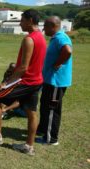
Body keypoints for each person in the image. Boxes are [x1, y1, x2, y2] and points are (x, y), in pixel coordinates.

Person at [0, 9, 46, 156]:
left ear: (30, 20)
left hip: (26, 81)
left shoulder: (29, 39)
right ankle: (29, 146)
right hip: (37, 82)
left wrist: (6, 83)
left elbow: (23, 67)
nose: (20, 23)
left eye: (22, 20)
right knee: (32, 113)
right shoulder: (41, 37)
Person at [36, 16, 73, 145]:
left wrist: (58, 63)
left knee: (52, 109)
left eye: (45, 26)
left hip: (56, 81)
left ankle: (51, 139)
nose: (43, 29)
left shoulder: (61, 37)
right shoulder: (55, 38)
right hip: (49, 80)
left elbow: (68, 51)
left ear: (53, 26)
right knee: (45, 106)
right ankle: (42, 130)